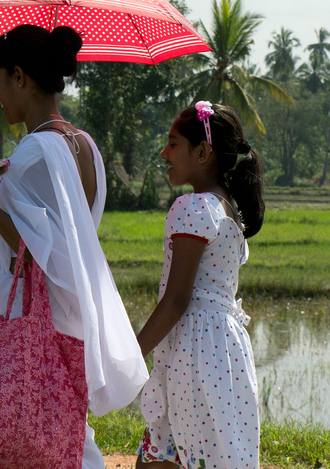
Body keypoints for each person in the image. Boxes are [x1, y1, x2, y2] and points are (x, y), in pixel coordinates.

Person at [0, 23, 148, 469]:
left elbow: (32, 253)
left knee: (27, 426)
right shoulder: (86, 147)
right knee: (63, 423)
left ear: (20, 77)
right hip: (72, 309)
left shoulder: (32, 153)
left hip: (33, 310)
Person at [135, 102, 264, 469]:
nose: (164, 153)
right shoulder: (227, 209)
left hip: (193, 352)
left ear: (203, 152)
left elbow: (177, 300)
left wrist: (131, 353)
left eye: (173, 143)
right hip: (222, 351)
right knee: (203, 452)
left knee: (175, 451)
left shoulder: (192, 207)